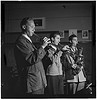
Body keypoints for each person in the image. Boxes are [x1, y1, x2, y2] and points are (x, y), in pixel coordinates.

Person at [14, 17, 50, 95]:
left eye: (34, 27)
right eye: (32, 27)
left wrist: (46, 48)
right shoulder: (21, 41)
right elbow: (31, 59)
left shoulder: (28, 40)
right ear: (24, 27)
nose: (34, 30)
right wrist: (42, 46)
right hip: (33, 83)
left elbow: (38, 58)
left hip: (39, 81)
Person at [43, 32, 64, 96]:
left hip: (60, 73)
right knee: (53, 94)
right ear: (52, 39)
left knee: (61, 94)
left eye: (59, 39)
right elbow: (51, 60)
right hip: (52, 74)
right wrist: (60, 51)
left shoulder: (58, 48)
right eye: (57, 38)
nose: (59, 40)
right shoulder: (47, 48)